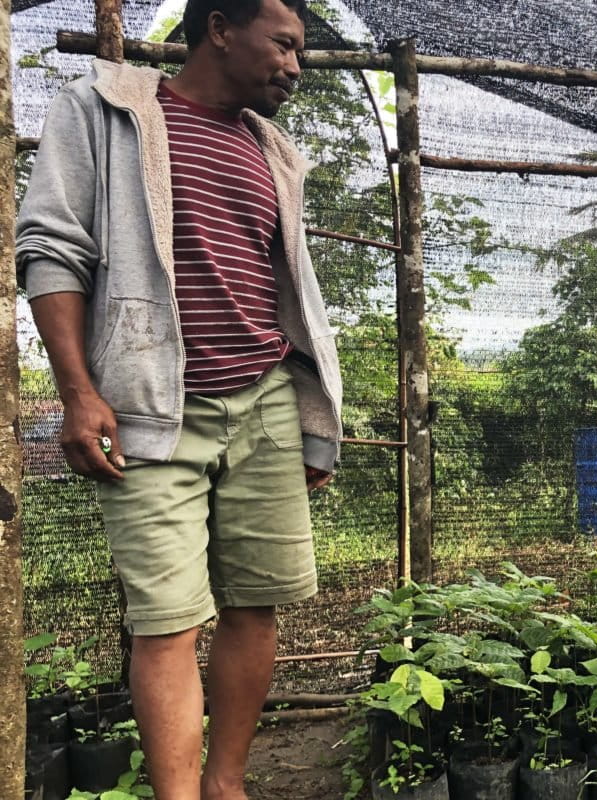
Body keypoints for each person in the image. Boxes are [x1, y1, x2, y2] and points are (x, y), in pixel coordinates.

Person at [16, 0, 343, 797]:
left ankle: (226, 783)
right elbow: (52, 248)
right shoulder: (104, 109)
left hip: (265, 401)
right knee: (166, 621)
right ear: (220, 28)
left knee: (257, 603)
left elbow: (285, 293)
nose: (296, 67)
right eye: (285, 46)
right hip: (150, 404)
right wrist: (77, 392)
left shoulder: (275, 150)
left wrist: (308, 419)